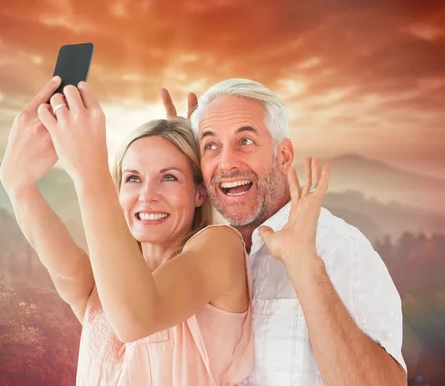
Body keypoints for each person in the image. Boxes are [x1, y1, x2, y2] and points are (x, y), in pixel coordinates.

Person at [0, 76, 254, 385]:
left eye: (169, 177)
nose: (147, 195)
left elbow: (137, 318)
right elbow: (67, 274)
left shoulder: (220, 246)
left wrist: (89, 170)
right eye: (133, 178)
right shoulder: (104, 287)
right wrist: (17, 183)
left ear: (200, 192)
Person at [161, 79, 408, 385]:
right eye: (210, 145)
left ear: (284, 156)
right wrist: (176, 174)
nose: (225, 163)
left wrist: (306, 266)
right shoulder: (204, 250)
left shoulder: (339, 248)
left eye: (245, 141)